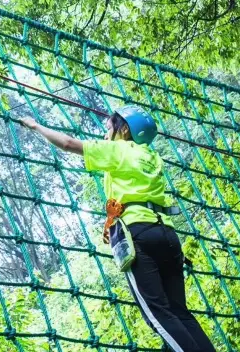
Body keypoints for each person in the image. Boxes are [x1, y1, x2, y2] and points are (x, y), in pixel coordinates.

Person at [20, 107, 216, 352]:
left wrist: (35, 126)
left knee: (159, 315)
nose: (106, 133)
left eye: (110, 128)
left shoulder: (118, 149)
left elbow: (69, 143)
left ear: (124, 130)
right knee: (180, 313)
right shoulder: (152, 156)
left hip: (138, 235)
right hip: (167, 235)